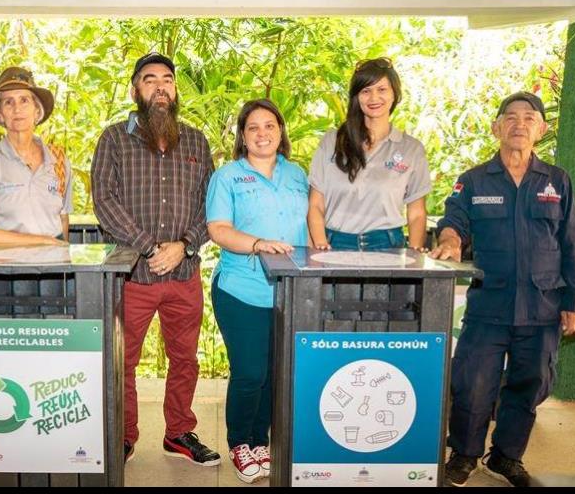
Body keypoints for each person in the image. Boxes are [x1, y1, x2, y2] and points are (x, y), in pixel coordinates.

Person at [430, 92, 575, 487]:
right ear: (496, 127)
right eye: (511, 117)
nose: (520, 124)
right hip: (490, 304)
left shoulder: (557, 181)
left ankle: (505, 456)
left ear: (541, 128)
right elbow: (453, 221)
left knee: (530, 383)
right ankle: (465, 454)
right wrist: (450, 241)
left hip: (543, 305)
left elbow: (572, 243)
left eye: (529, 118)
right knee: (472, 384)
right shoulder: (472, 181)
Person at [91, 52, 219, 466]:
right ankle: (124, 435)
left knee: (184, 358)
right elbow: (104, 201)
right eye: (150, 79)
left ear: (175, 90)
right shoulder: (114, 139)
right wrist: (149, 246)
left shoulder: (196, 141)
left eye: (167, 79)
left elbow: (210, 204)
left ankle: (179, 432)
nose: (160, 87)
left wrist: (184, 244)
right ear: (136, 90)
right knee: (122, 360)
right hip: (132, 275)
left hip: (184, 273)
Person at [205, 99, 308, 483]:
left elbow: (314, 225)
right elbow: (218, 229)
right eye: (253, 127)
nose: (263, 133)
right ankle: (239, 442)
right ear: (243, 136)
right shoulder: (229, 176)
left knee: (273, 373)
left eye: (270, 126)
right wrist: (258, 242)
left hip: (289, 292)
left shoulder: (297, 174)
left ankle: (261, 441)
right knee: (249, 372)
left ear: (280, 131)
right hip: (241, 288)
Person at [307, 57, 431, 251]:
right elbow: (315, 205)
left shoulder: (411, 149)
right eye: (366, 91)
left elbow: (416, 213)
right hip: (334, 245)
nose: (374, 98)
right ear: (356, 97)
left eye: (382, 90)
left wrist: (414, 258)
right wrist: (320, 245)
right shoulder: (331, 142)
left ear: (394, 94)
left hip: (387, 246)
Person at [0, 66, 71, 245]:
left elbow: (63, 218)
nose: (17, 109)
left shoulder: (58, 159)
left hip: (54, 265)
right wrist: (43, 242)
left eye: (24, 100)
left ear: (37, 111)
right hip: (6, 266)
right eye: (8, 102)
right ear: (0, 114)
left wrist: (62, 259)